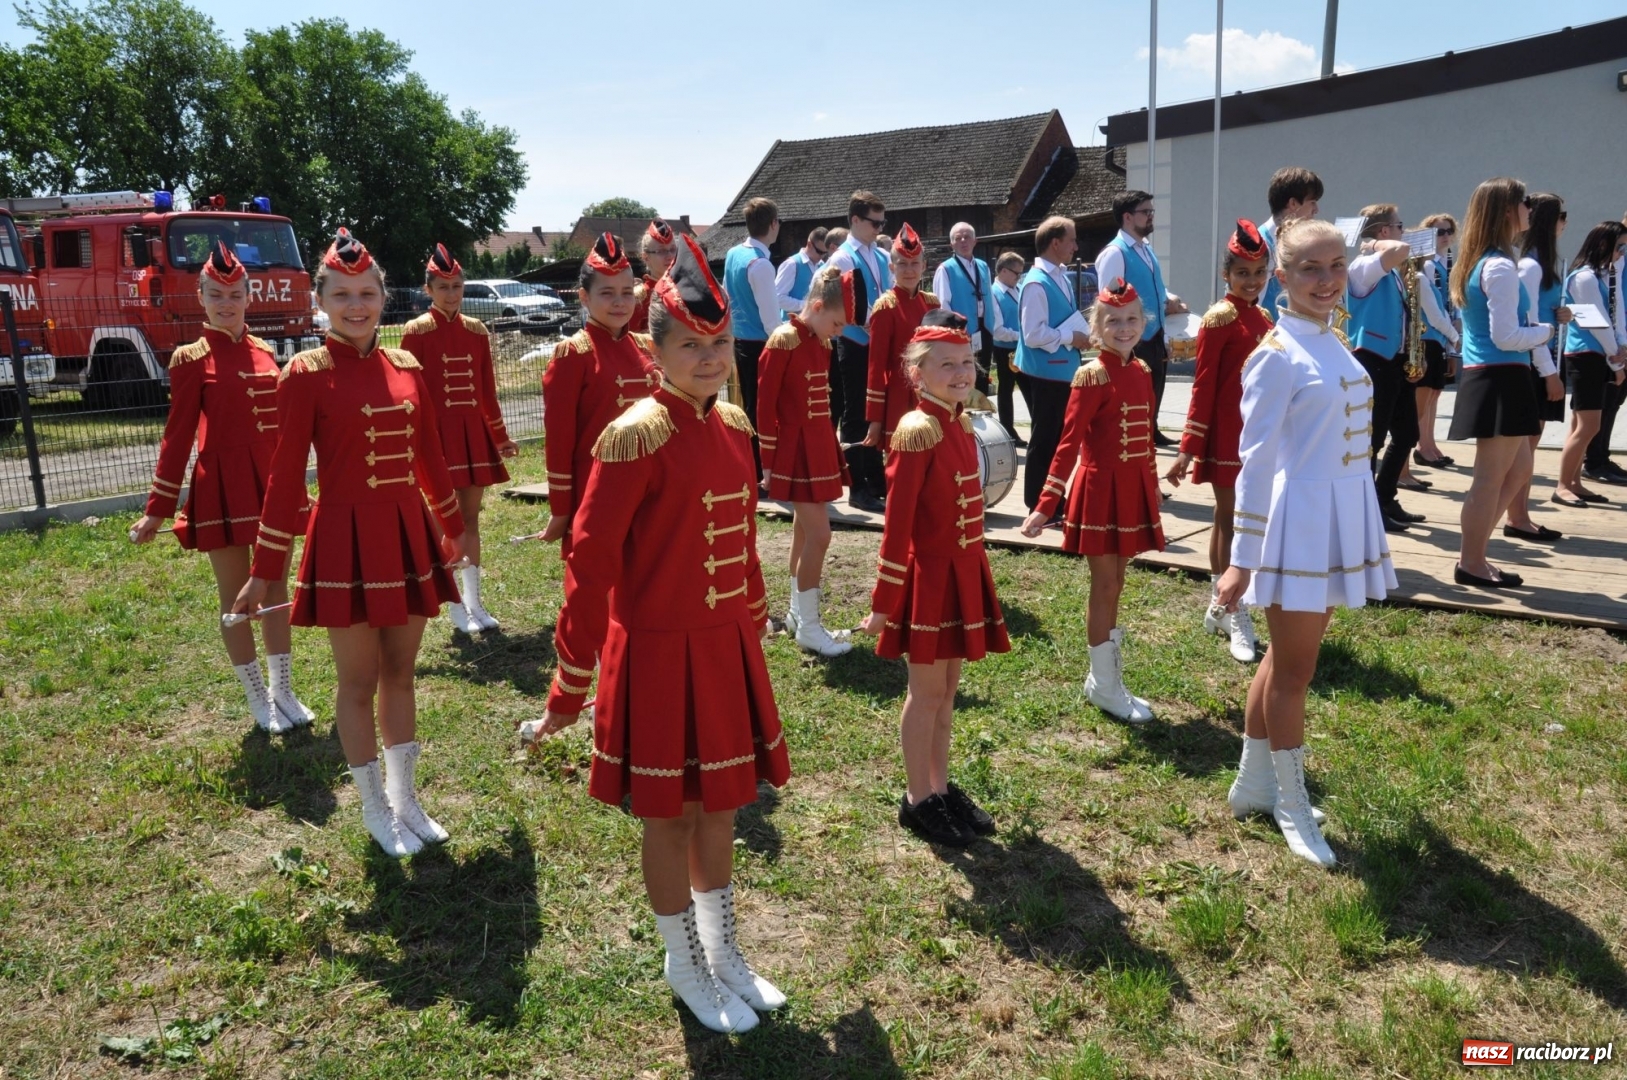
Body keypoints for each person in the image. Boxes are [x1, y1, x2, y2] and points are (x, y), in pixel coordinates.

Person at [531, 235, 790, 1034]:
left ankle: (725, 953)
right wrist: (569, 684)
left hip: (722, 650)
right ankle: (683, 961)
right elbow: (589, 561)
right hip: (653, 652)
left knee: (723, 809)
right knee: (669, 814)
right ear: (657, 348)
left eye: (719, 344)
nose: (709, 359)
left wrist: (752, 622)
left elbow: (742, 544)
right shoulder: (634, 434)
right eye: (690, 345)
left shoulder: (733, 427)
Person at [234, 229, 466, 857]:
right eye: (342, 295)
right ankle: (372, 807)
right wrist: (264, 568)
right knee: (358, 679)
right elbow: (284, 479)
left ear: (384, 296)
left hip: (406, 535)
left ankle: (406, 797)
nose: (356, 305)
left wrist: (452, 526)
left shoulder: (407, 367)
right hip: (344, 540)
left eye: (367, 293)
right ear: (322, 299)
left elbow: (431, 458)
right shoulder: (304, 374)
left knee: (401, 672)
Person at [1216, 217, 1398, 869]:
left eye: (1335, 266)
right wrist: (1240, 557)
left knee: (1282, 664)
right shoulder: (1276, 353)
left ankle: (1254, 785)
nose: (1326, 281)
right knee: (1295, 673)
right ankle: (1291, 805)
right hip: (1295, 523)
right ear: (1282, 279)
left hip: (1335, 513)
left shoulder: (1328, 337)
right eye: (1310, 270)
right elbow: (1255, 460)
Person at [130, 243, 315, 734]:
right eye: (216, 295)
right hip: (223, 487)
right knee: (235, 594)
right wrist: (158, 508)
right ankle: (256, 696)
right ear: (201, 296)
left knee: (275, 586)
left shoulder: (266, 353)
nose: (226, 303)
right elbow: (177, 436)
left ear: (249, 295)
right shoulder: (191, 358)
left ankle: (283, 690)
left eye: (235, 294)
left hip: (272, 484)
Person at [858, 312, 1010, 847]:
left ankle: (940, 789)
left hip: (963, 573)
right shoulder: (918, 429)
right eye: (946, 365)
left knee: (947, 692)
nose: (961, 372)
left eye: (966, 362)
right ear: (917, 374)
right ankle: (917, 799)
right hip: (928, 581)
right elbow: (897, 525)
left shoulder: (958, 421)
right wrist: (885, 599)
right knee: (924, 695)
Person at [1021, 279, 1164, 721]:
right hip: (1101, 489)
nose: (1124, 328)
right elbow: (1068, 443)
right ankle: (1104, 684)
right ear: (1097, 328)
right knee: (1104, 585)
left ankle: (1103, 678)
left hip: (1132, 487)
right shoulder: (1092, 373)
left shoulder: (1140, 371)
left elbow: (1145, 440)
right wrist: (1047, 503)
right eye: (1113, 321)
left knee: (1117, 582)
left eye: (1132, 320)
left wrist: (1153, 486)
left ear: (1144, 323)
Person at [1165, 221, 1274, 664]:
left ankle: (1220, 607)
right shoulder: (1218, 319)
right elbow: (1203, 386)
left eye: (1259, 272)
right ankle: (1231, 609)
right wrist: (1188, 446)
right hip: (1228, 436)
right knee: (1231, 520)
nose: (1251, 281)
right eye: (1242, 272)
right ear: (1225, 274)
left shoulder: (1265, 319)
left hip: (1261, 436)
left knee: (1248, 521)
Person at [1448, 178, 1563, 589]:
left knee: (1518, 471)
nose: (1530, 208)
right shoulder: (1497, 265)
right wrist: (1545, 331)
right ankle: (1471, 561)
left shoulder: (1489, 261)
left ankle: (1476, 551)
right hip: (1498, 377)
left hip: (1501, 377)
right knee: (1490, 478)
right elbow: (1506, 336)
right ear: (1506, 210)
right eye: (1524, 201)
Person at [400, 244, 520, 633]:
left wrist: (499, 437)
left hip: (471, 437)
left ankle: (475, 602)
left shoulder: (476, 330)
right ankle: (453, 606)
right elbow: (408, 393)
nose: (452, 294)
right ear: (428, 289)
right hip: (435, 440)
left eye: (457, 286)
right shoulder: (414, 332)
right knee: (442, 522)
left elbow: (487, 389)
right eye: (444, 287)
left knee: (470, 520)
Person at [758, 264, 855, 657]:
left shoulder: (822, 343)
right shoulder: (782, 340)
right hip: (793, 449)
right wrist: (767, 461)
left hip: (817, 444)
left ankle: (800, 618)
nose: (840, 331)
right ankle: (810, 628)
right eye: (836, 322)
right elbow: (764, 406)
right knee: (820, 535)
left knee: (804, 531)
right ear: (816, 306)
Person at [539, 234, 657, 553]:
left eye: (625, 292)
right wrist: (561, 509)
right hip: (597, 488)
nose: (619, 302)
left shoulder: (646, 347)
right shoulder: (573, 353)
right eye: (607, 293)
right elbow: (559, 439)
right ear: (584, 297)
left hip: (651, 489)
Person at [1345, 205, 1421, 533]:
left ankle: (1384, 496)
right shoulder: (1364, 265)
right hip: (1372, 358)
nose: (1404, 232)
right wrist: (1372, 245)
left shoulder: (1391, 272)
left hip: (1394, 360)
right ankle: (1367, 508)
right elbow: (1401, 249)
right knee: (1372, 439)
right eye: (1399, 225)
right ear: (1384, 232)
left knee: (1407, 433)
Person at [1094, 190, 1188, 447]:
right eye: (1146, 212)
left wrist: (1171, 301)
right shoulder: (1115, 252)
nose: (1151, 217)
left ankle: (1151, 433)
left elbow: (1155, 286)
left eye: (1151, 212)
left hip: (1154, 333)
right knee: (1134, 399)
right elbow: (1108, 299)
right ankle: (1139, 445)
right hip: (1132, 340)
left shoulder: (1145, 249)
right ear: (1127, 217)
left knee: (1153, 392)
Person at [1015, 216, 1092, 511]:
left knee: (1055, 438)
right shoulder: (1036, 283)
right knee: (1045, 439)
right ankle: (1037, 501)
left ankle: (1051, 498)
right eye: (1071, 239)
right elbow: (1034, 334)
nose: (1075, 246)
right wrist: (1070, 336)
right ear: (1055, 243)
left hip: (1060, 369)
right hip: (1046, 372)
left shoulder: (1058, 275)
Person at [825, 191, 894, 511]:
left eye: (882, 223)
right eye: (874, 222)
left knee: (875, 412)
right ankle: (856, 487)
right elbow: (839, 301)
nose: (879, 228)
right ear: (855, 220)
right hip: (853, 343)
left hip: (877, 342)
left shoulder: (880, 255)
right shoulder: (842, 257)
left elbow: (889, 292)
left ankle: (876, 479)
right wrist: (874, 319)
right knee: (855, 415)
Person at [1504, 197, 1567, 539]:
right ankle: (1517, 517)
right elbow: (1526, 320)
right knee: (1525, 446)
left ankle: (1520, 515)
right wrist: (1549, 372)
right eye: (1562, 216)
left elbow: (1541, 311)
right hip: (1535, 363)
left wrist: (1563, 313)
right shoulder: (1530, 265)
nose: (1565, 223)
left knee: (1531, 443)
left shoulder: (1544, 262)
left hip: (1544, 358)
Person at [1554, 222, 1627, 506]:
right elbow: (1597, 323)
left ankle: (1574, 482)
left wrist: (1619, 348)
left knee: (1581, 424)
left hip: (1600, 354)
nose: (1622, 253)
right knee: (1588, 426)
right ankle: (1562, 485)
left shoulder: (1604, 274)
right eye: (1619, 246)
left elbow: (1616, 315)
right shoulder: (1583, 277)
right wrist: (1617, 361)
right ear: (1602, 246)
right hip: (1585, 355)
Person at [864, 223, 938, 447]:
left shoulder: (931, 303)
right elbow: (876, 369)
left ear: (924, 265)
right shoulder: (886, 307)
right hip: (899, 399)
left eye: (915, 263)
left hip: (933, 395)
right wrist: (875, 418)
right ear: (891, 267)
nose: (909, 270)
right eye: (902, 264)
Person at [722, 198, 781, 471]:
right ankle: (759, 467)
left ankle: (751, 463)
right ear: (772, 224)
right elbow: (771, 320)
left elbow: (726, 295)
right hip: (761, 343)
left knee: (749, 404)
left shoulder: (734, 253)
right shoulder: (761, 265)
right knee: (763, 408)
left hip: (740, 339)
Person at [1411, 214, 1462, 475]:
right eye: (1438, 231)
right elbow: (1433, 307)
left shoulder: (1444, 264)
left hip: (1440, 335)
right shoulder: (1428, 267)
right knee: (1425, 394)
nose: (1444, 235)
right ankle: (1423, 446)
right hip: (1427, 335)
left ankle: (1429, 445)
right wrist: (1453, 333)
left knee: (1433, 394)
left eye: (1448, 230)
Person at [1581, 215, 1627, 486]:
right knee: (1607, 401)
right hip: (1615, 340)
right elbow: (1616, 302)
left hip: (1620, 336)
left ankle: (1602, 455)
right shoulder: (1616, 261)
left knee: (1616, 401)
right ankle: (1594, 460)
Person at [932, 222, 996, 396]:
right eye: (957, 238)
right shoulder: (945, 269)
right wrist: (953, 332)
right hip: (962, 331)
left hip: (985, 328)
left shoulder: (983, 266)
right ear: (951, 244)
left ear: (975, 241)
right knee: (964, 376)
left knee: (983, 374)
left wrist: (994, 324)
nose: (963, 241)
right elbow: (942, 305)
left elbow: (990, 297)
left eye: (967, 237)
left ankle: (982, 411)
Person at [1258, 167, 1323, 317]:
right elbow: (1252, 305)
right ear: (1293, 203)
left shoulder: (1297, 241)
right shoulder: (1261, 244)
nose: (1316, 209)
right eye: (1312, 202)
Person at [990, 252, 1027, 445]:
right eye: (1016, 273)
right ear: (1003, 271)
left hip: (1023, 347)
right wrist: (1021, 335)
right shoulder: (994, 293)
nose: (1019, 277)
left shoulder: (1018, 289)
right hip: (1006, 350)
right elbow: (998, 330)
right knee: (1006, 391)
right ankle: (1008, 431)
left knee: (1029, 388)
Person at [630, 217, 678, 335]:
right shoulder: (639, 298)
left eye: (672, 250)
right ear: (646, 257)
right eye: (661, 251)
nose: (670, 256)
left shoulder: (686, 289)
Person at [775, 226, 827, 321]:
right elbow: (778, 298)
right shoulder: (791, 264)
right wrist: (805, 305)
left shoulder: (822, 265)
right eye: (819, 252)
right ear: (809, 244)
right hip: (792, 327)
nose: (822, 256)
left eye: (825, 253)